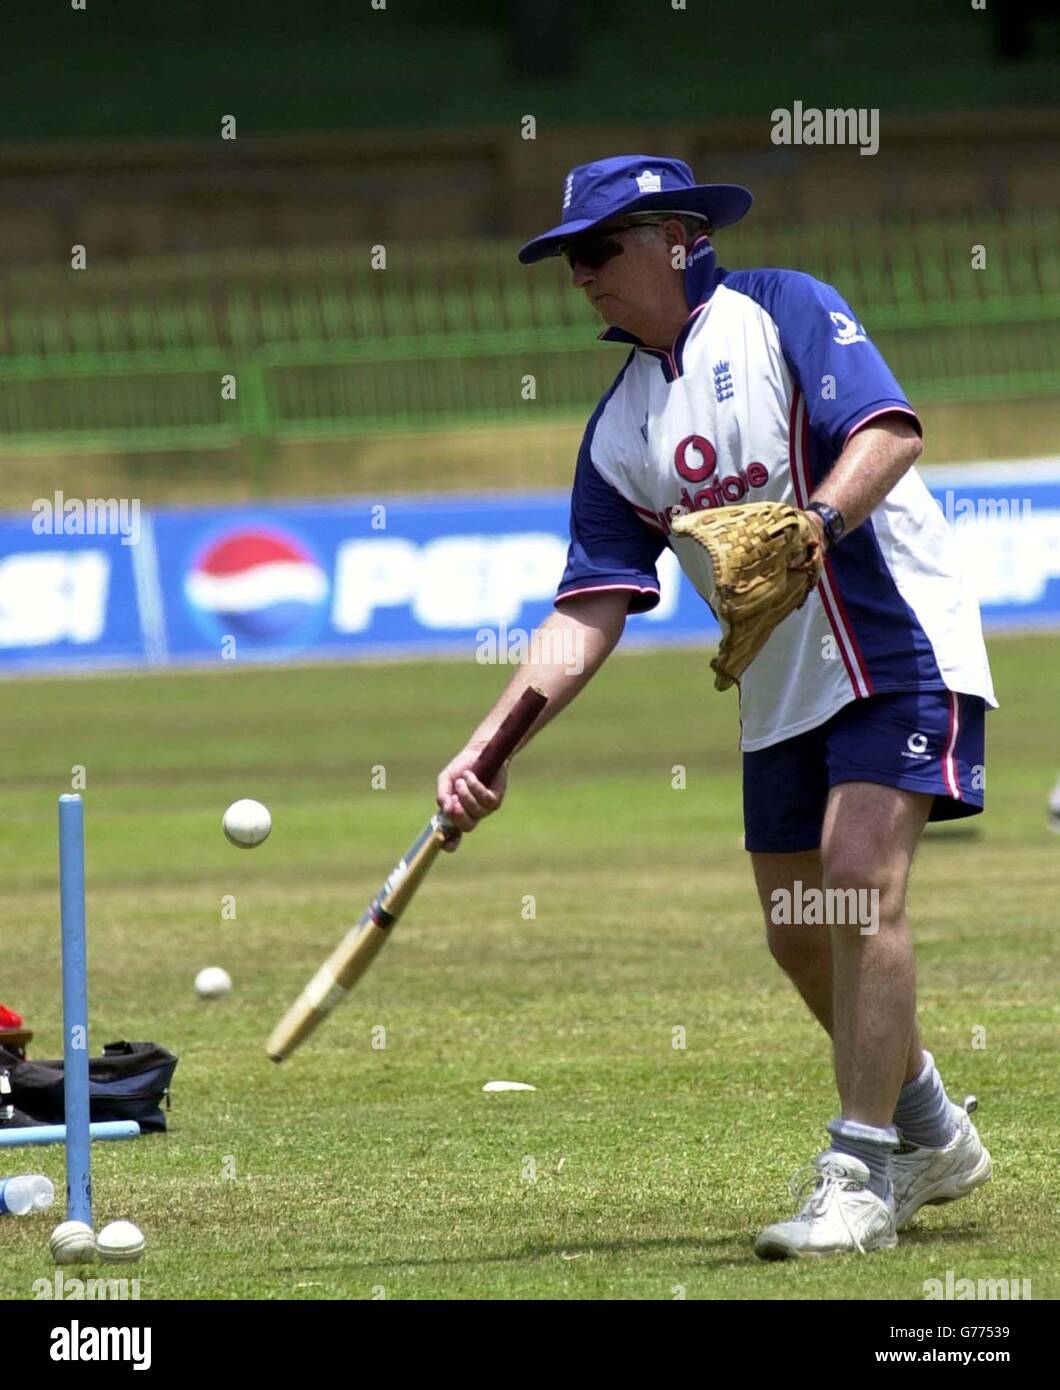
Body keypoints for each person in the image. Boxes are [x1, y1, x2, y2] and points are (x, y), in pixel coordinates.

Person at [437, 156, 996, 1258]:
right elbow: (591, 609)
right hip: (778, 685)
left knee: (852, 884)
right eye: (569, 260)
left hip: (894, 638)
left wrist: (814, 525)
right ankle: (932, 1131)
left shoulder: (780, 306)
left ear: (676, 238)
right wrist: (490, 743)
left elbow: (889, 433)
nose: (582, 276)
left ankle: (859, 1173)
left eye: (601, 250)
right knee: (799, 936)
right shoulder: (617, 428)